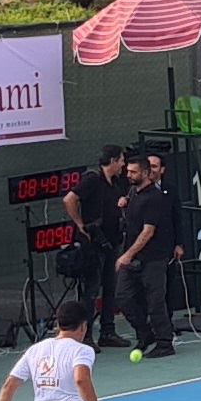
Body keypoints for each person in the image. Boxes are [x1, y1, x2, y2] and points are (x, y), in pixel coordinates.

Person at [61, 145, 130, 348]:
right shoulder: (92, 179)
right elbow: (69, 199)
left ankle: (108, 332)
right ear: (112, 161)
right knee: (91, 290)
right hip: (93, 245)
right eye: (121, 160)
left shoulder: (116, 183)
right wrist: (80, 224)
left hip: (112, 242)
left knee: (110, 288)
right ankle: (86, 335)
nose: (123, 165)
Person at [114, 154, 178, 359]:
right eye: (128, 171)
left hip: (154, 258)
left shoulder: (155, 198)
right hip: (134, 259)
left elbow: (148, 231)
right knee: (123, 297)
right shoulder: (133, 192)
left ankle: (165, 343)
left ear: (145, 173)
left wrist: (127, 255)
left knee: (155, 302)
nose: (128, 175)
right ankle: (145, 333)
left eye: (133, 172)